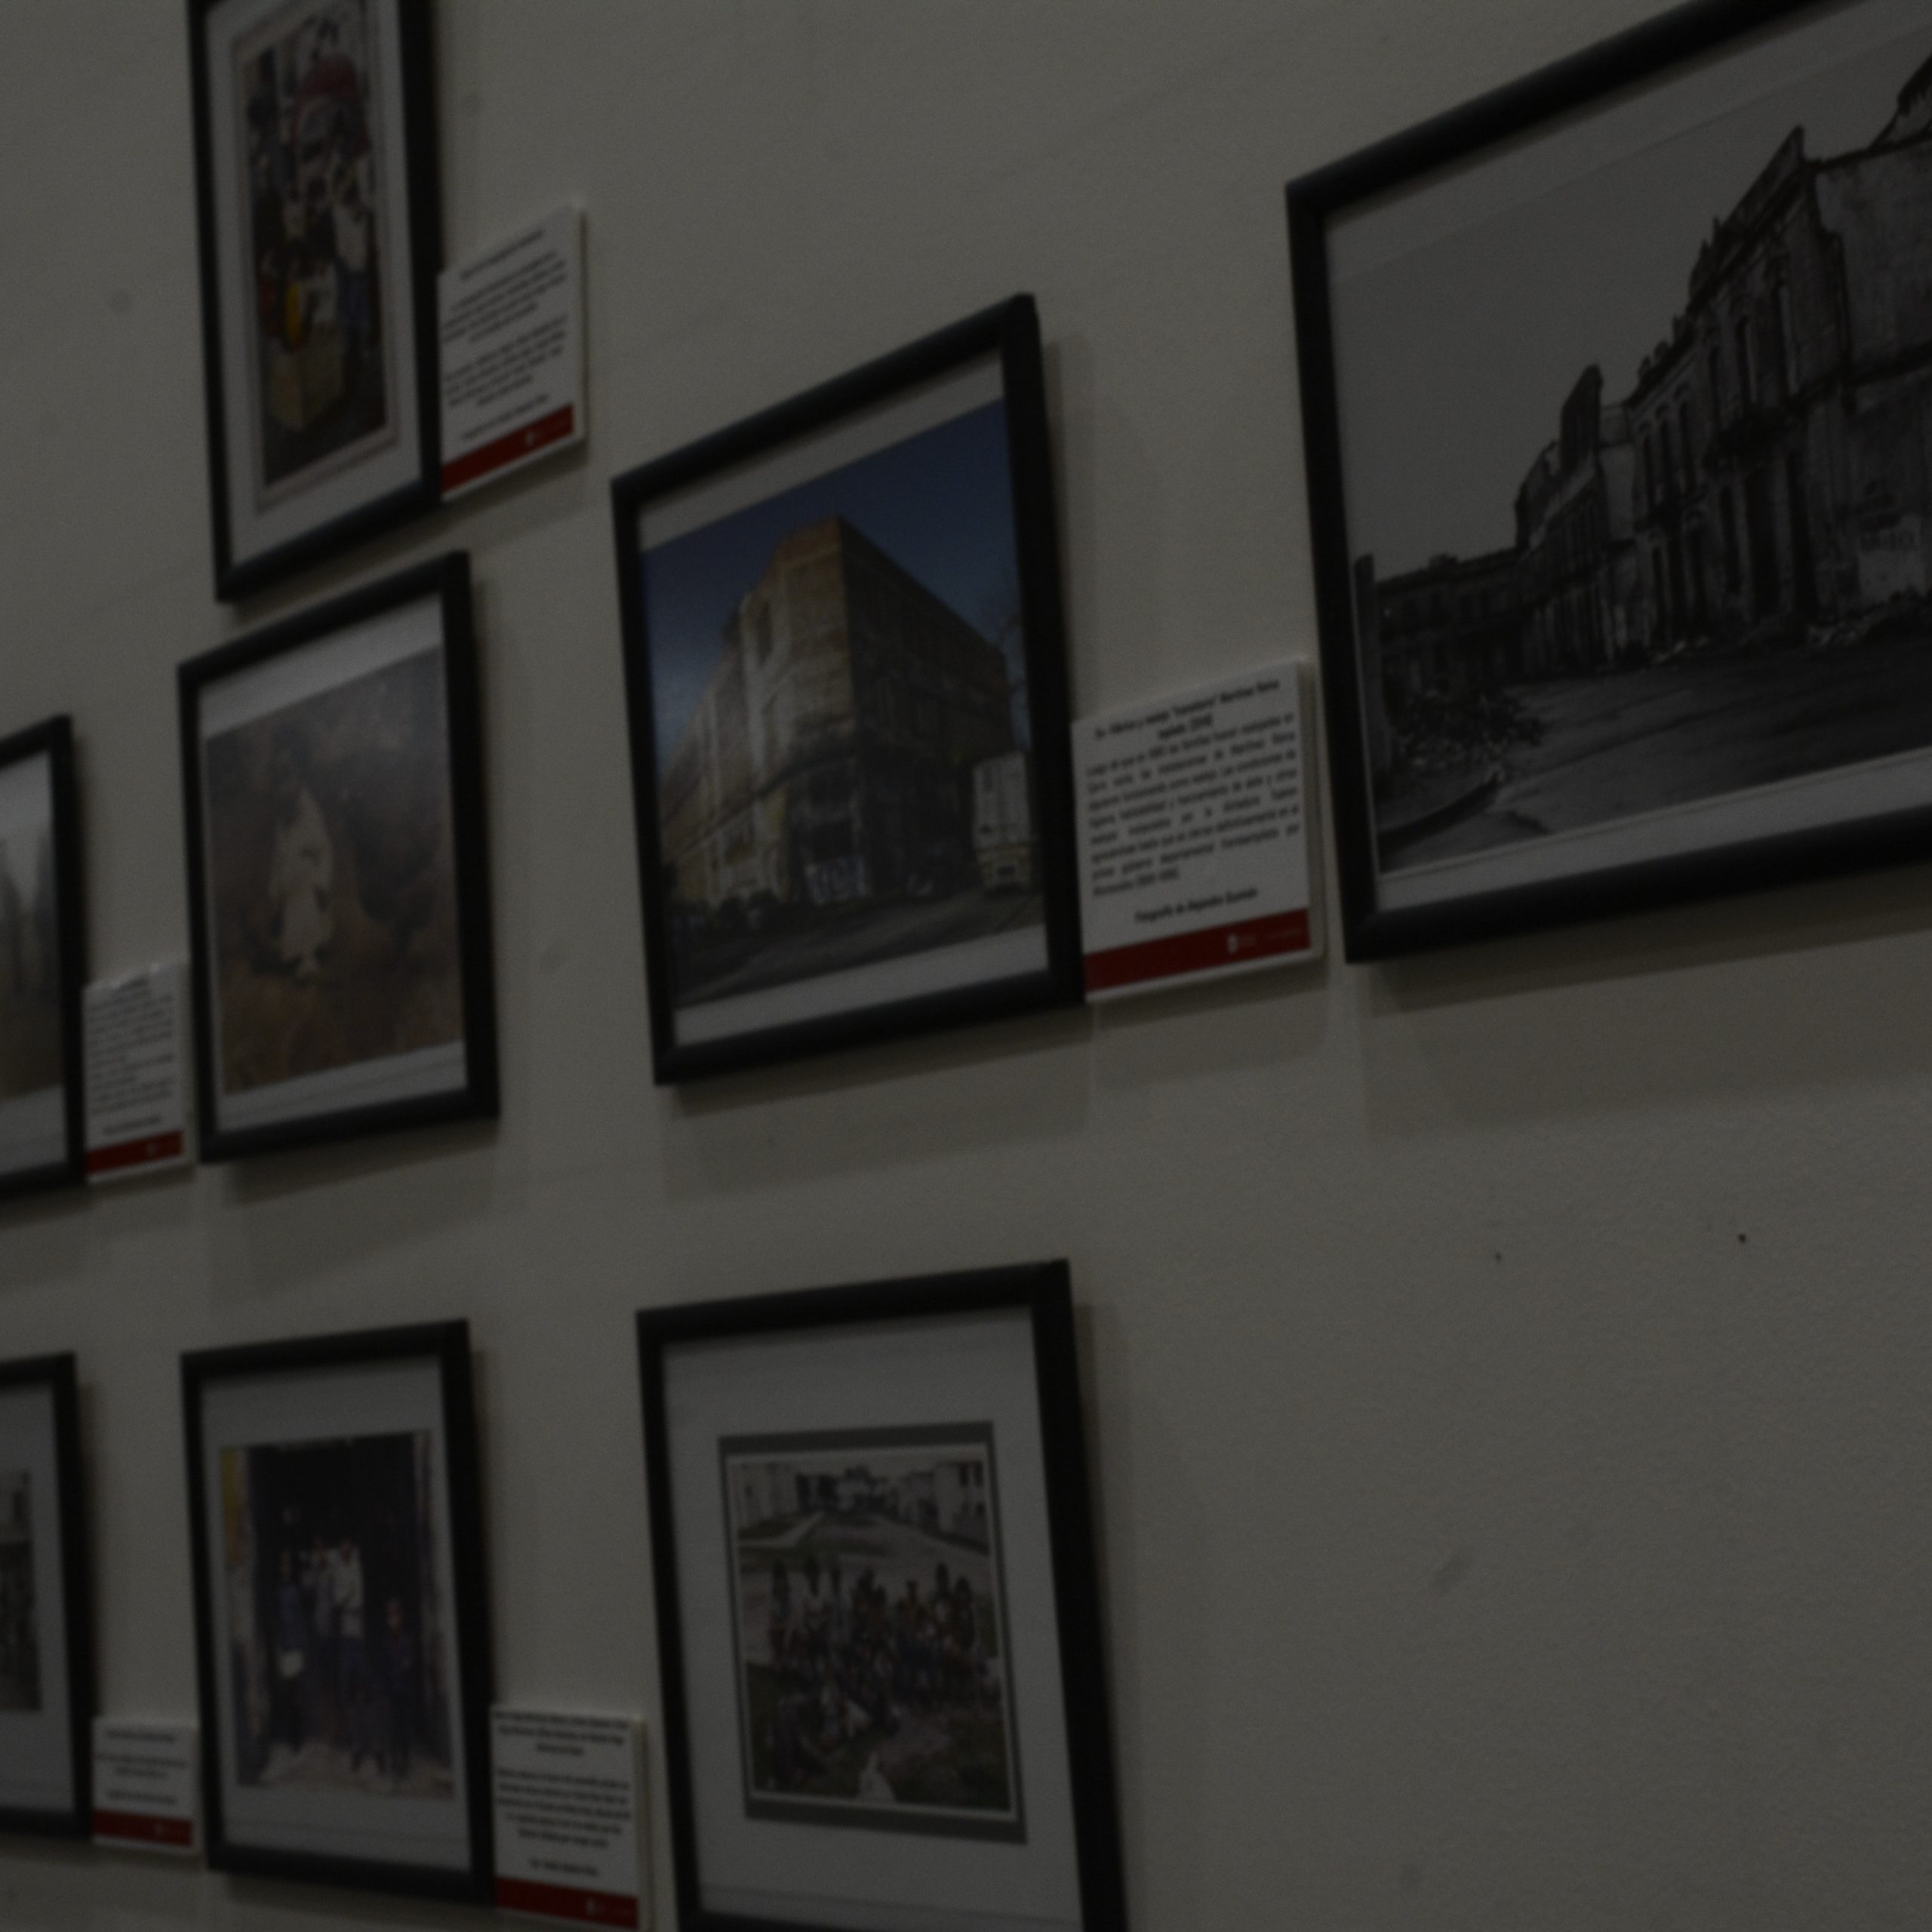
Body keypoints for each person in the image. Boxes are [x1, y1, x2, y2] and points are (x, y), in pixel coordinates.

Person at [267, 739, 334, 982]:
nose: (285, 786)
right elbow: (278, 859)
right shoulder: (282, 818)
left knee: (304, 901)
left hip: (308, 888)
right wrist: (275, 893)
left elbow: (323, 851)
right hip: (288, 889)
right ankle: (293, 949)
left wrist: (321, 883)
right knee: (285, 916)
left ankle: (309, 957)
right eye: (280, 778)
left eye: (290, 775)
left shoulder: (310, 814)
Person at [331, 1531, 368, 1769]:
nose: (346, 1548)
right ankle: (354, 1745)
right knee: (349, 1690)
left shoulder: (357, 1566)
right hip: (346, 1636)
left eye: (348, 1544)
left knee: (363, 1691)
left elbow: (359, 1600)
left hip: (359, 1634)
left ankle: (366, 1743)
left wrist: (350, 1593)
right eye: (342, 1545)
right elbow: (339, 1600)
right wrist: (349, 1592)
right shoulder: (339, 1570)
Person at [375, 1596, 417, 1782]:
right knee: (392, 1728)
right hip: (391, 1691)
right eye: (390, 1615)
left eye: (396, 1614)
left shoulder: (407, 1640)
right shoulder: (385, 1642)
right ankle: (394, 1763)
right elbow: (383, 1667)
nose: (393, 1619)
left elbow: (410, 1663)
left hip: (405, 1691)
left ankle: (405, 1763)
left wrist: (404, 1667)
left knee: (404, 1728)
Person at [272, 1549, 309, 1755]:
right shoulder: (277, 1592)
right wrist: (278, 1649)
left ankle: (297, 1737)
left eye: (287, 1565)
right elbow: (277, 1623)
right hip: (285, 1647)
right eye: (282, 1565)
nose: (285, 1569)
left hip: (295, 1647)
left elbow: (300, 1620)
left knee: (296, 1694)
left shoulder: (294, 1591)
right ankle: (288, 1734)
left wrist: (303, 1648)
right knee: (286, 1693)